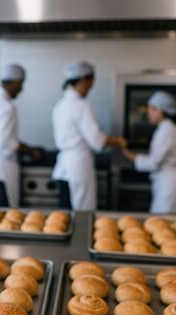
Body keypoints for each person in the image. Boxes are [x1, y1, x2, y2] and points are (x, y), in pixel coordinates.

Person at [51, 61, 125, 211]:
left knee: (65, 214)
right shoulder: (82, 106)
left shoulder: (60, 106)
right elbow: (97, 141)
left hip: (63, 168)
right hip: (78, 166)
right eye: (90, 84)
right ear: (84, 79)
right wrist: (117, 141)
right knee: (81, 214)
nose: (89, 89)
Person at [0, 64, 41, 207]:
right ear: (15, 82)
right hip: (0, 173)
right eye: (21, 84)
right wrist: (30, 150)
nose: (21, 89)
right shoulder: (6, 106)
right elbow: (8, 142)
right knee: (0, 219)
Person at [120, 91, 176, 213]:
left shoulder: (167, 130)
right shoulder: (166, 128)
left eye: (152, 109)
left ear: (161, 111)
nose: (148, 112)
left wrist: (126, 152)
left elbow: (153, 163)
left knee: (164, 224)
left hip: (170, 184)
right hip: (168, 181)